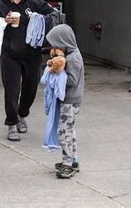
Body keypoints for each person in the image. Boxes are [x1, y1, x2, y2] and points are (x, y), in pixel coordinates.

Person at [0, 0, 56, 142]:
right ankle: (12, 124)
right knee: (12, 91)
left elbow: (53, 14)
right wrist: (3, 22)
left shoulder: (33, 4)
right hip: (10, 56)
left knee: (31, 88)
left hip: (32, 54)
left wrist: (42, 20)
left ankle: (22, 114)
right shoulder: (0, 7)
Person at [45, 24, 84, 179]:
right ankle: (73, 161)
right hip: (71, 101)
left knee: (64, 133)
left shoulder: (73, 58)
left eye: (55, 45)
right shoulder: (71, 55)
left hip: (70, 101)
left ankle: (67, 163)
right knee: (70, 131)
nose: (53, 49)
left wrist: (56, 74)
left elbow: (72, 81)